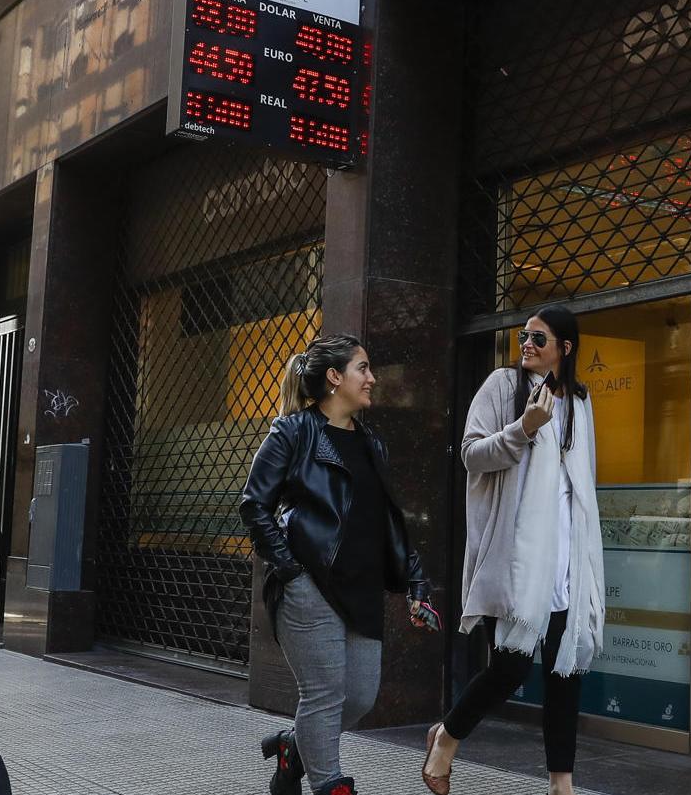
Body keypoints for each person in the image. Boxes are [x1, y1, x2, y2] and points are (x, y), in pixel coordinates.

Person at [240, 334, 438, 795]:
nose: (372, 378)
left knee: (359, 700)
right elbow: (254, 505)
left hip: (363, 588)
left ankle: (293, 746)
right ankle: (330, 784)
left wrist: (416, 580)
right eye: (362, 368)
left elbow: (386, 520)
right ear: (335, 377)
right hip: (311, 587)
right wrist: (291, 571)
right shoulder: (292, 432)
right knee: (325, 696)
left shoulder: (372, 444)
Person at [423, 305, 605, 795]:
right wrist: (523, 428)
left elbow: (579, 487)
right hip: (518, 558)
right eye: (524, 335)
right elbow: (471, 455)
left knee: (565, 673)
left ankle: (561, 784)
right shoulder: (503, 387)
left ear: (565, 349)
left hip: (566, 558)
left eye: (539, 338)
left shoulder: (580, 402)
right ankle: (446, 739)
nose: (526, 344)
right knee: (508, 668)